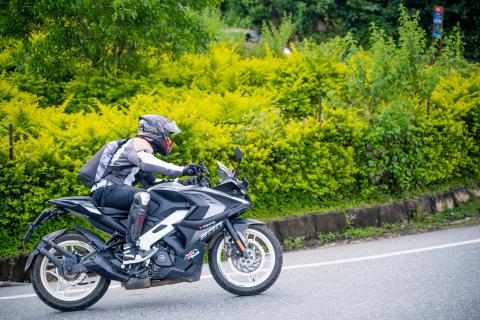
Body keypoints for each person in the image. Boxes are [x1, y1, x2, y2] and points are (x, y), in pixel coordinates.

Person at [90, 115, 203, 265]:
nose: (168, 139)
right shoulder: (137, 143)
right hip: (107, 190)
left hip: (115, 190)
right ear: (155, 131)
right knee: (143, 197)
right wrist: (182, 170)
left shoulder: (140, 153)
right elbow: (146, 162)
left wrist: (186, 183)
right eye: (167, 134)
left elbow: (153, 183)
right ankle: (131, 250)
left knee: (151, 195)